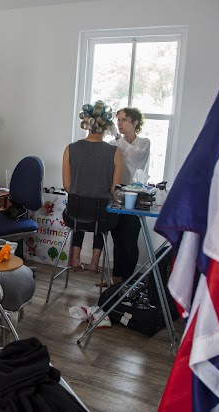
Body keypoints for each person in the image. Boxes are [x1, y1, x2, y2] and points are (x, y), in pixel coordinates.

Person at [62, 100, 123, 282]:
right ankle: (95, 263)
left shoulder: (70, 149)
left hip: (74, 216)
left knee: (80, 211)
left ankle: (75, 258)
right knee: (101, 213)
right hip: (102, 219)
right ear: (107, 126)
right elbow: (115, 189)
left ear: (87, 124)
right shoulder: (114, 152)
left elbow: (67, 186)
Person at [108, 107, 151, 284]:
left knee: (129, 239)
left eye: (124, 119)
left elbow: (134, 156)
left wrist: (118, 138)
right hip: (117, 193)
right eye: (118, 119)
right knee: (117, 238)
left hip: (136, 196)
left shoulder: (144, 143)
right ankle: (116, 280)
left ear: (135, 122)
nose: (119, 123)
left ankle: (128, 280)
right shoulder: (113, 143)